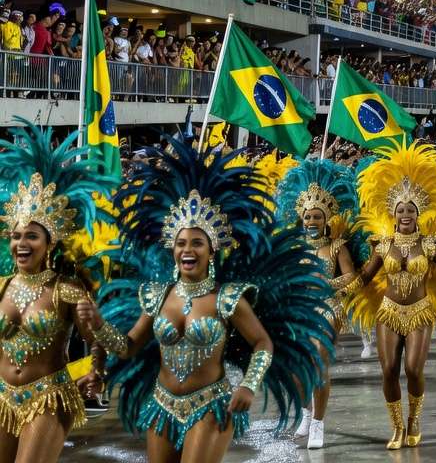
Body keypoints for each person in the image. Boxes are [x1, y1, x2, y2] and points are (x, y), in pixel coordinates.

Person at [80, 138, 333, 462]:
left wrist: (248, 385)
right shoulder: (157, 296)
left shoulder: (227, 298)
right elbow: (128, 347)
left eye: (197, 243)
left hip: (211, 406)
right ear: (173, 249)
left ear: (212, 251)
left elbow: (262, 343)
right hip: (161, 406)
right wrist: (98, 325)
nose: (188, 250)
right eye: (181, 243)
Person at [347, 140, 436, 450]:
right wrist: (340, 290)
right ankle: (397, 427)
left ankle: (414, 420)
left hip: (420, 312)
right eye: (401, 210)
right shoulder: (383, 245)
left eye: (410, 210)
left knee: (413, 369)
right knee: (388, 370)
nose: (405, 214)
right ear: (393, 213)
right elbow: (364, 277)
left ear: (418, 214)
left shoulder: (428, 244)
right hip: (388, 312)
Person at [0, 123, 113, 463]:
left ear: (49, 243)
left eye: (32, 236)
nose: (22, 243)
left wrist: (97, 373)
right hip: (3, 396)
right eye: (17, 236)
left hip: (49, 398)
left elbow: (96, 339)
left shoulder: (66, 289)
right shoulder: (2, 285)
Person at [273, 158, 364, 451]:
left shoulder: (337, 246)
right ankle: (305, 412)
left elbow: (352, 277)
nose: (311, 222)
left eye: (317, 217)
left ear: (326, 219)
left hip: (328, 307)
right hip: (300, 308)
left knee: (318, 359)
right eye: (308, 217)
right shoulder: (295, 246)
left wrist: (328, 285)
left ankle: (318, 423)